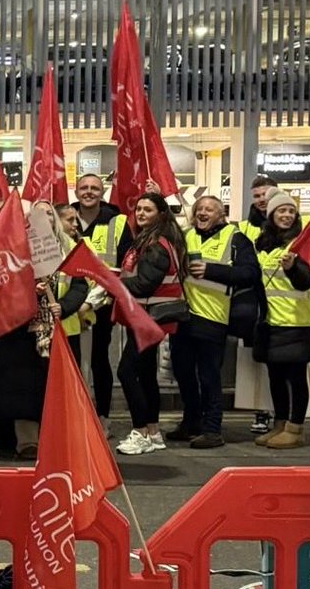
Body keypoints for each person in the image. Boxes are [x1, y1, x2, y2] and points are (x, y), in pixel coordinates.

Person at [0, 202, 84, 459]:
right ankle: (27, 442)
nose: (42, 218)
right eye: (36, 214)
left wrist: (63, 306)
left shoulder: (70, 249)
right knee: (23, 389)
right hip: (23, 333)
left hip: (60, 332)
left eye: (47, 214)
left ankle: (57, 440)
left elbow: (80, 285)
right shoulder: (14, 251)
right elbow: (3, 287)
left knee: (57, 390)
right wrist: (29, 292)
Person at [168, 196, 259, 449]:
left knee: (209, 377)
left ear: (220, 215)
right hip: (183, 315)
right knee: (183, 373)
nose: (203, 213)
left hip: (213, 317)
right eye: (199, 209)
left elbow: (250, 273)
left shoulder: (236, 238)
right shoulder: (186, 236)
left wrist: (211, 270)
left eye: (209, 209)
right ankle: (191, 422)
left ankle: (212, 429)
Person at [114, 192, 184, 456]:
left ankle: (140, 431)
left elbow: (144, 284)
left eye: (148, 210)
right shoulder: (156, 240)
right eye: (139, 209)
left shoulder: (155, 245)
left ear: (161, 214)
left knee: (126, 372)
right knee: (145, 374)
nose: (141, 213)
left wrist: (112, 282)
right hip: (149, 319)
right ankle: (153, 431)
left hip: (148, 319)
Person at [253, 192, 310, 450]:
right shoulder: (263, 244)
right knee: (276, 378)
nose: (287, 215)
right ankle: (279, 424)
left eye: (291, 211)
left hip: (297, 322)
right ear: (271, 215)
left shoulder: (302, 243)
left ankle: (295, 428)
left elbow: (307, 281)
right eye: (282, 211)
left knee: (296, 378)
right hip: (270, 323)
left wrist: (293, 268)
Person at [72, 173, 131, 437]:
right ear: (76, 191)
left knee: (98, 360)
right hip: (69, 303)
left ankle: (102, 418)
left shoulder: (118, 222)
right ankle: (74, 417)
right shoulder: (65, 217)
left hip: (101, 305)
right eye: (84, 187)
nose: (89, 192)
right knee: (72, 362)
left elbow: (125, 264)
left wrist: (99, 297)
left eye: (94, 188)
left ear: (102, 191)